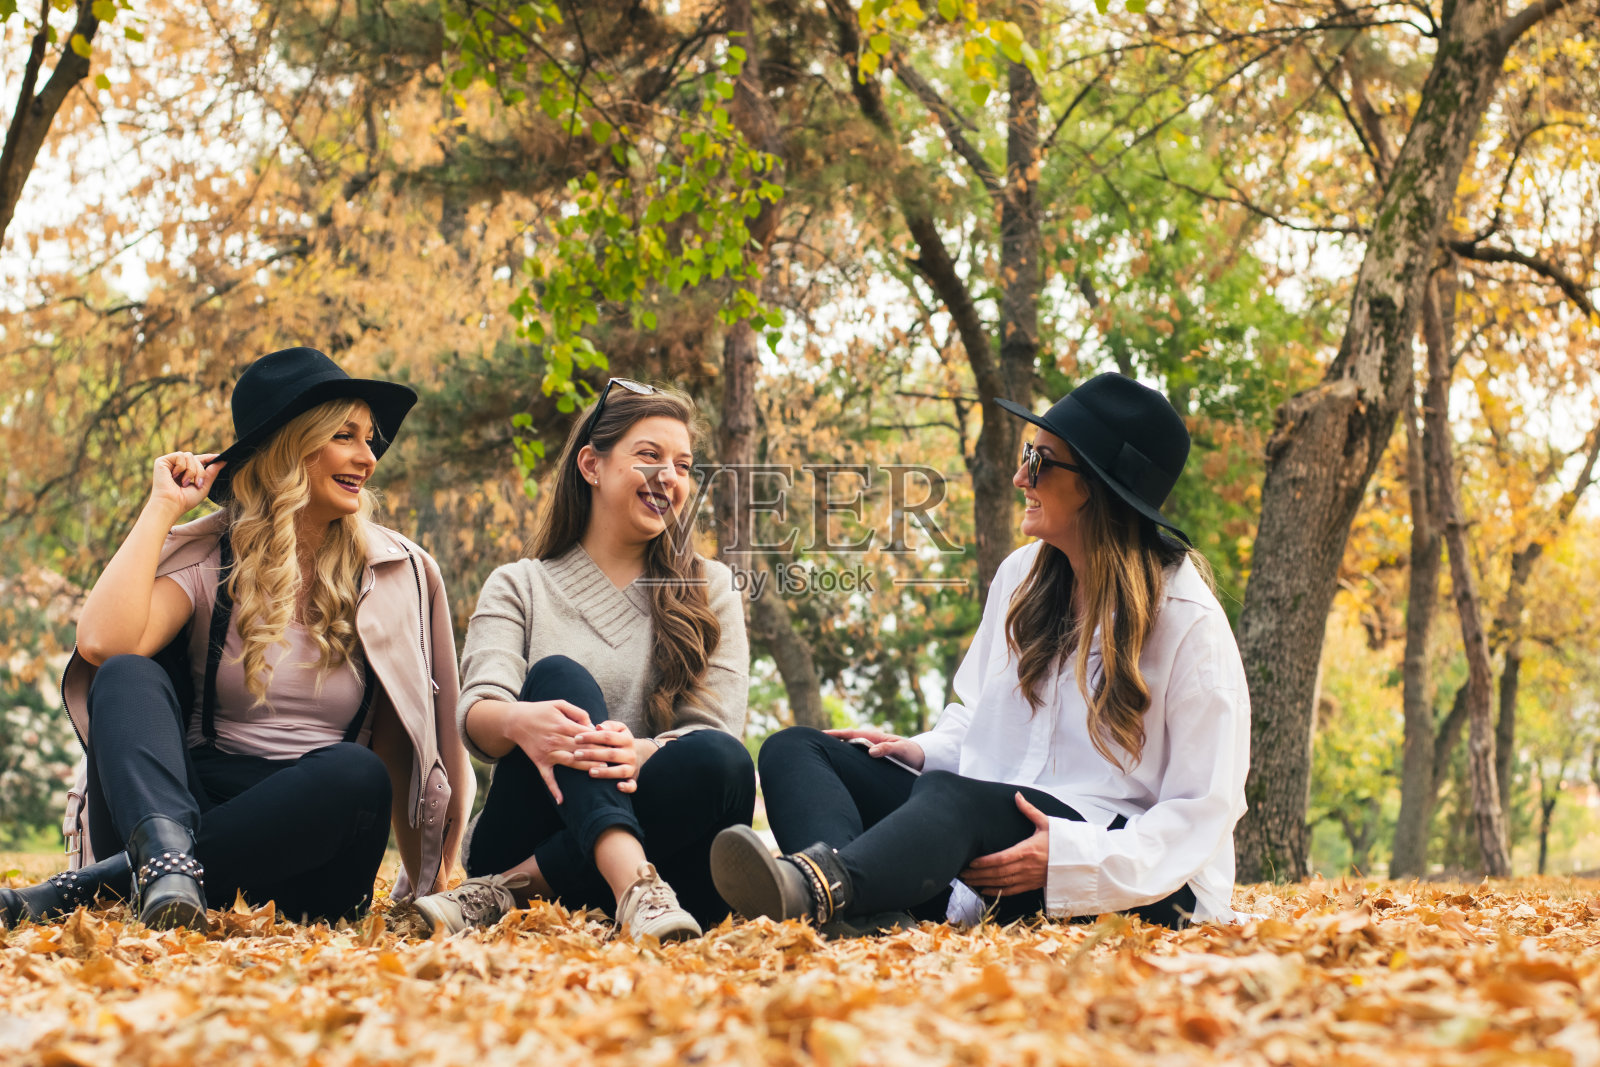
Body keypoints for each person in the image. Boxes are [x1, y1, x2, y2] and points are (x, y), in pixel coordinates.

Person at [712, 373, 1250, 932]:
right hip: (985, 844)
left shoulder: (1189, 622)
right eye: (1026, 456)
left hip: (1117, 873)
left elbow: (1201, 809)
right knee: (797, 749)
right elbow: (983, 721)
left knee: (957, 800)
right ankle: (857, 913)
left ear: (1096, 487)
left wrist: (1072, 856)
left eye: (1041, 462)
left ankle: (815, 890)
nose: (1021, 477)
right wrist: (920, 751)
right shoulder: (1022, 577)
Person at [0, 347, 473, 931]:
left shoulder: (393, 571)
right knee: (127, 672)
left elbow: (410, 736)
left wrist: (430, 880)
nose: (366, 457)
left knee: (356, 773)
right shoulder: (213, 557)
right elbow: (101, 643)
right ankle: (167, 865)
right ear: (290, 447)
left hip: (318, 844)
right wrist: (161, 509)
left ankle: (100, 886)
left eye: (369, 439)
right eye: (345, 436)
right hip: (187, 806)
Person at [411, 379, 753, 941]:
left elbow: (712, 734)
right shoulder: (520, 585)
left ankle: (507, 891)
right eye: (649, 456)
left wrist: (635, 752)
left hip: (671, 847)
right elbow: (477, 715)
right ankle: (631, 884)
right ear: (591, 465)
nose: (669, 475)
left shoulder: (710, 587)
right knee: (559, 679)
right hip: (530, 824)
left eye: (683, 465)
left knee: (725, 760)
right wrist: (523, 721)